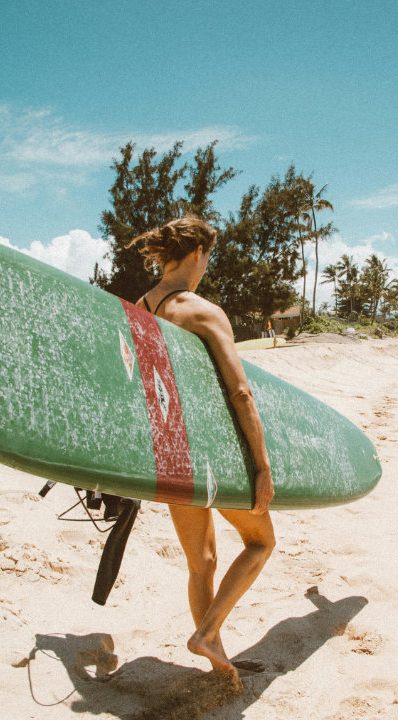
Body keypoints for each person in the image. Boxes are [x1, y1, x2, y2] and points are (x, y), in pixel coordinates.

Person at [129, 216, 275, 686]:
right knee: (261, 541)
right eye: (208, 257)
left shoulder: (141, 306)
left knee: (202, 563)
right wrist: (262, 466)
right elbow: (240, 393)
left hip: (167, 453)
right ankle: (208, 632)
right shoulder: (201, 310)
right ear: (197, 254)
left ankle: (218, 659)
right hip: (209, 455)